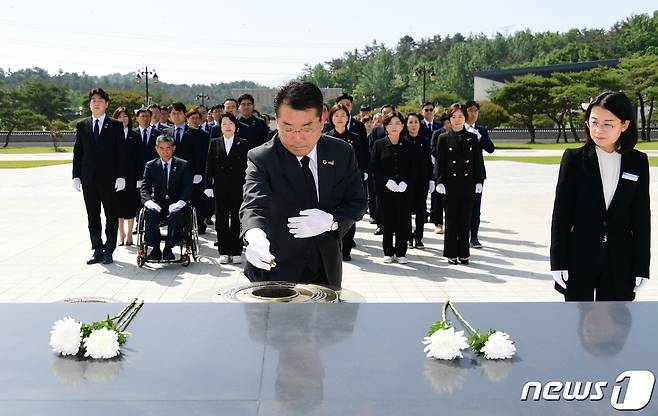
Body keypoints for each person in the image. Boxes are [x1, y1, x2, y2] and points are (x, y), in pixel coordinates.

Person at [240, 80, 367, 288]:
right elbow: (253, 204)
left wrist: (331, 221)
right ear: (276, 120)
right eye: (288, 128)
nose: (297, 138)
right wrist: (255, 237)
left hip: (325, 269)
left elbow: (358, 202)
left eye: (307, 128)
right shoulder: (262, 158)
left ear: (322, 119)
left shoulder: (341, 153)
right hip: (275, 268)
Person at [550, 91, 650, 301]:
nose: (598, 130)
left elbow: (641, 217)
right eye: (593, 122)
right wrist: (558, 261)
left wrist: (642, 266)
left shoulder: (638, 161)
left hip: (620, 259)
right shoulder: (574, 159)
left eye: (607, 124)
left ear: (624, 125)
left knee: (617, 327)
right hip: (580, 256)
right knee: (576, 325)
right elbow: (561, 214)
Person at [72, 88, 126, 265]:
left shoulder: (116, 125)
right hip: (89, 179)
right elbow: (78, 152)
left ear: (106, 104)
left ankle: (109, 250)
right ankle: (97, 249)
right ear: (89, 104)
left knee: (111, 215)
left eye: (100, 100)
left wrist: (121, 176)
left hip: (110, 179)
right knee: (92, 216)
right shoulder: (82, 125)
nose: (96, 103)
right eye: (93, 100)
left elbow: (120, 153)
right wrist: (76, 176)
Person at [435, 103, 484, 265]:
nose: (457, 120)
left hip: (468, 184)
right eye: (454, 117)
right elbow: (439, 163)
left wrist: (479, 180)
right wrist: (439, 181)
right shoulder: (443, 138)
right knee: (451, 220)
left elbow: (478, 161)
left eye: (460, 117)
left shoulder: (472, 137)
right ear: (449, 119)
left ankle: (464, 253)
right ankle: (451, 252)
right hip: (450, 185)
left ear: (465, 118)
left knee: (465, 220)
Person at [370, 112, 419, 264]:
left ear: (402, 126)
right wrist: (386, 182)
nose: (394, 127)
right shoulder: (379, 144)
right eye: (390, 124)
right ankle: (388, 251)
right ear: (385, 126)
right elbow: (374, 168)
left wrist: (406, 182)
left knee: (403, 221)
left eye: (398, 123)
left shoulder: (409, 146)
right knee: (387, 221)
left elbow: (414, 169)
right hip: (385, 191)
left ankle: (401, 251)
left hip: (404, 191)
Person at [204, 112, 250, 264]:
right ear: (220, 127)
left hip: (238, 188)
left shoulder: (243, 143)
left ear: (235, 127)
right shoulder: (214, 142)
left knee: (237, 220)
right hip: (220, 188)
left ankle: (236, 251)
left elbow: (247, 168)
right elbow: (209, 165)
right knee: (221, 220)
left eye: (230, 124)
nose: (227, 127)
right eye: (224, 124)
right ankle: (223, 251)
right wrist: (208, 186)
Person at [326, 103, 369, 261]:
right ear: (331, 118)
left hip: (350, 181)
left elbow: (363, 156)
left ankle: (347, 248)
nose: (340, 118)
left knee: (349, 214)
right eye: (336, 115)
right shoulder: (326, 137)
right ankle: (333, 246)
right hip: (330, 182)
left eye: (343, 115)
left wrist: (364, 171)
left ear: (348, 118)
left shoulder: (355, 138)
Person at [141, 134, 193, 261]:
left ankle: (168, 248)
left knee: (177, 214)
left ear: (173, 148)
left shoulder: (183, 164)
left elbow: (188, 187)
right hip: (157, 203)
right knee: (150, 214)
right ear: (156, 149)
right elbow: (144, 188)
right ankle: (154, 249)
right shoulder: (151, 165)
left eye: (168, 148)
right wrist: (149, 202)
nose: (165, 152)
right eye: (162, 148)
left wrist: (180, 203)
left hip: (175, 203)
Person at [163, 102, 209, 234]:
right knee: (174, 203)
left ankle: (194, 226)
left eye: (179, 113)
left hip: (191, 174)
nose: (176, 116)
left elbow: (202, 155)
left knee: (193, 202)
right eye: (173, 113)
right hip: (171, 174)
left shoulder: (198, 133)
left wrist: (199, 172)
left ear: (184, 115)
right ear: (170, 116)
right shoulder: (165, 132)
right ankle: (176, 229)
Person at [464, 100, 495, 249]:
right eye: (470, 110)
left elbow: (491, 148)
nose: (473, 113)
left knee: (476, 206)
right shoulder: (458, 127)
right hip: (459, 173)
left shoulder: (481, 130)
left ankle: (474, 236)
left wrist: (480, 137)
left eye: (476, 110)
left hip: (477, 173)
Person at [404, 112, 434, 248]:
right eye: (410, 122)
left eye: (416, 122)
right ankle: (409, 236)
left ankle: (419, 237)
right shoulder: (402, 141)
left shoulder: (425, 141)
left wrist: (431, 179)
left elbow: (429, 163)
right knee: (407, 210)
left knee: (421, 211)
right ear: (406, 124)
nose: (413, 125)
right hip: (406, 183)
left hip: (422, 182)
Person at [113, 107, 141, 246]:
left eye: (125, 116)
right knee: (118, 206)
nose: (123, 119)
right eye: (119, 116)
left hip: (131, 177)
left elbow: (139, 158)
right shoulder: (111, 134)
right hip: (116, 177)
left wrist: (139, 178)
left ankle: (130, 233)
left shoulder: (134, 135)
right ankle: (121, 233)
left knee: (130, 206)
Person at [430, 112, 450, 234]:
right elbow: (433, 149)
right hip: (440, 168)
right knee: (438, 199)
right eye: (448, 122)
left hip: (453, 170)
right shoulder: (438, 133)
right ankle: (438, 223)